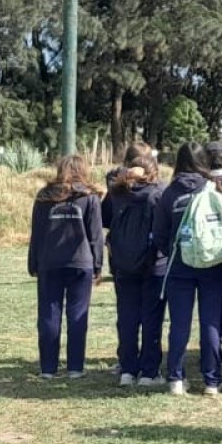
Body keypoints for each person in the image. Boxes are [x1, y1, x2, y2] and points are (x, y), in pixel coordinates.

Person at [153, 142, 222, 396]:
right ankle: (212, 380)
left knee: (179, 323)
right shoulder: (215, 188)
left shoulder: (170, 193)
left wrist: (175, 251)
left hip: (180, 265)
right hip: (213, 264)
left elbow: (159, 234)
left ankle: (176, 378)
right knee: (210, 322)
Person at [30, 156, 105, 380]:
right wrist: (98, 265)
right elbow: (95, 235)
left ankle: (48, 368)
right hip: (81, 262)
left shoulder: (44, 196)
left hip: (49, 262)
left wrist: (33, 263)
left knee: (49, 314)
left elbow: (37, 233)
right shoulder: (89, 197)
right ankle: (75, 367)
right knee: (77, 315)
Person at [105, 146, 169, 387]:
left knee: (127, 318)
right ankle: (150, 372)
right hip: (154, 264)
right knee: (152, 318)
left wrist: (123, 176)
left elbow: (105, 217)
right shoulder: (159, 194)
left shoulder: (118, 194)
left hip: (123, 264)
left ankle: (127, 370)